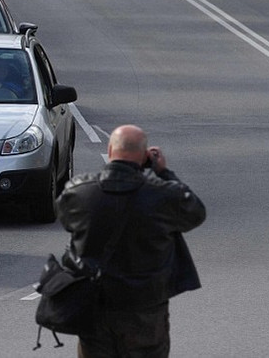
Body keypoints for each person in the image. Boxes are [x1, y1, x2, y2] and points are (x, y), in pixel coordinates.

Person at [56, 125, 206, 358]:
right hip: (145, 309)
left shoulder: (80, 192)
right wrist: (164, 173)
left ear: (109, 149)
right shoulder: (162, 194)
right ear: (146, 156)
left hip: (96, 306)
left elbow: (67, 220)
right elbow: (195, 212)